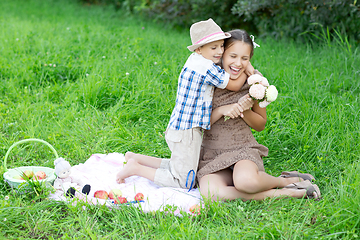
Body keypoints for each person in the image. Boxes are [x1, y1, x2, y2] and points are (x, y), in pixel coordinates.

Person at [116, 19, 251, 189]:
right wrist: (247, 68)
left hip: (180, 127)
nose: (219, 52)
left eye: (221, 46)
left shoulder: (196, 59)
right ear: (199, 49)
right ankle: (136, 168)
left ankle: (136, 158)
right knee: (184, 181)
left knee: (183, 167)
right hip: (187, 131)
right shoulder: (206, 68)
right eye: (213, 47)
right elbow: (235, 85)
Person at [197, 29, 321, 201]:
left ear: (250, 60)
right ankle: (289, 191)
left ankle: (284, 181)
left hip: (241, 149)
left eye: (244, 58)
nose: (238, 63)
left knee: (246, 182)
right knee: (211, 193)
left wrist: (244, 111)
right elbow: (197, 123)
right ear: (222, 53)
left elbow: (260, 125)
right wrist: (220, 110)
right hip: (212, 154)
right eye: (233, 56)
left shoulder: (254, 83)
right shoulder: (207, 79)